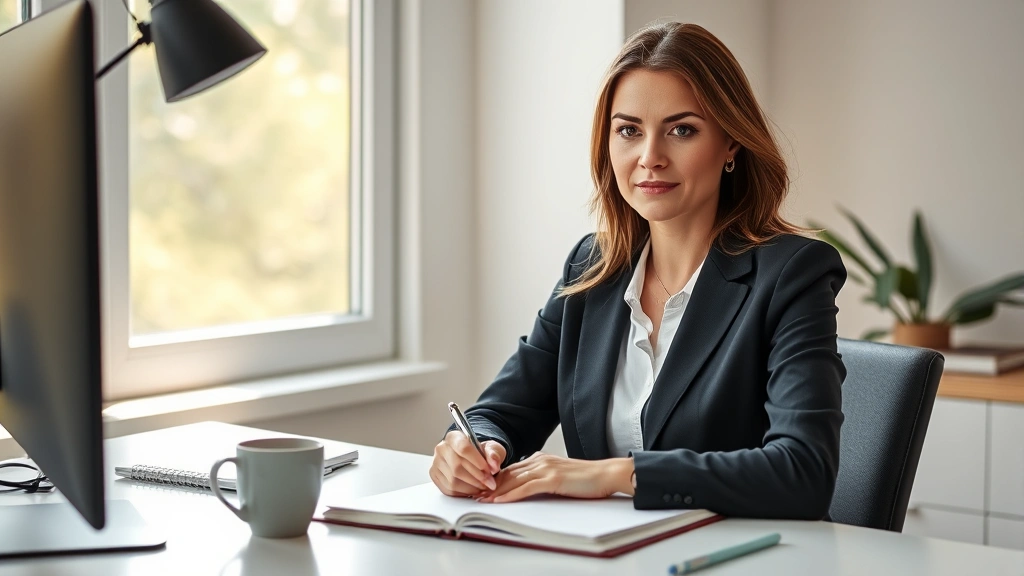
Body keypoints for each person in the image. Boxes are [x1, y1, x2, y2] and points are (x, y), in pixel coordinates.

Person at [429, 21, 847, 520]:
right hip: (608, 555)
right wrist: (473, 447)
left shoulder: (791, 274)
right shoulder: (592, 268)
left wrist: (614, 474)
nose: (650, 158)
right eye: (629, 130)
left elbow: (803, 473)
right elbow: (499, 412)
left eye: (682, 130)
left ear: (731, 144)